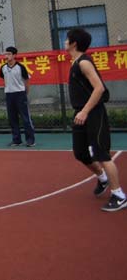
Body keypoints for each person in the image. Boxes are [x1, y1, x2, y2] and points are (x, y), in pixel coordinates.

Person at [66, 28, 125, 212]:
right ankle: (102, 177)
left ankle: (119, 195)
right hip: (81, 113)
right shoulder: (75, 62)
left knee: (102, 154)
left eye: (67, 39)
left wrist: (85, 111)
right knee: (80, 153)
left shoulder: (84, 63)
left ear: (74, 43)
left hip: (93, 113)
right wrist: (81, 112)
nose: (65, 41)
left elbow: (99, 88)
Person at [0, 46, 35, 147]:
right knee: (12, 118)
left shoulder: (21, 67)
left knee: (25, 118)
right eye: (5, 54)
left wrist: (25, 93)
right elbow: (3, 78)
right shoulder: (3, 68)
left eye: (9, 54)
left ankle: (30, 140)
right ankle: (16, 140)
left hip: (20, 94)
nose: (6, 56)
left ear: (14, 55)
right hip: (9, 95)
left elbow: (26, 80)